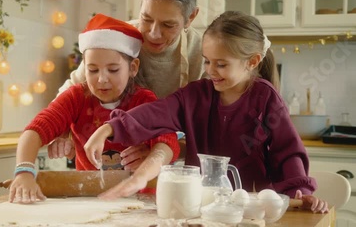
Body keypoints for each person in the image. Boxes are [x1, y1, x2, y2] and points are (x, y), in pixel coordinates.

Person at [83, 11, 329, 214]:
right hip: (200, 206)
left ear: (252, 62)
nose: (211, 70)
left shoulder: (265, 99)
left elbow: (288, 153)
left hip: (251, 209)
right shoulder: (196, 95)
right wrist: (110, 127)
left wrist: (300, 193)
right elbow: (157, 112)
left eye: (221, 64)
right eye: (207, 61)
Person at [9, 14, 180, 204]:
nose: (101, 79)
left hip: (139, 198)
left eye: (113, 70)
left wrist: (151, 157)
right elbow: (35, 130)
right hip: (89, 198)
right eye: (93, 70)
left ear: (133, 67)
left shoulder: (143, 101)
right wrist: (24, 171)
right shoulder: (76, 98)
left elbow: (168, 141)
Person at [48, 0, 204, 168]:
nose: (153, 33)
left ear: (190, 17)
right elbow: (73, 89)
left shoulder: (202, 53)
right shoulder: (117, 38)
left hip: (171, 165)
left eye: (168, 25)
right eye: (146, 19)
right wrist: (60, 132)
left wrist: (157, 152)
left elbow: (203, 128)